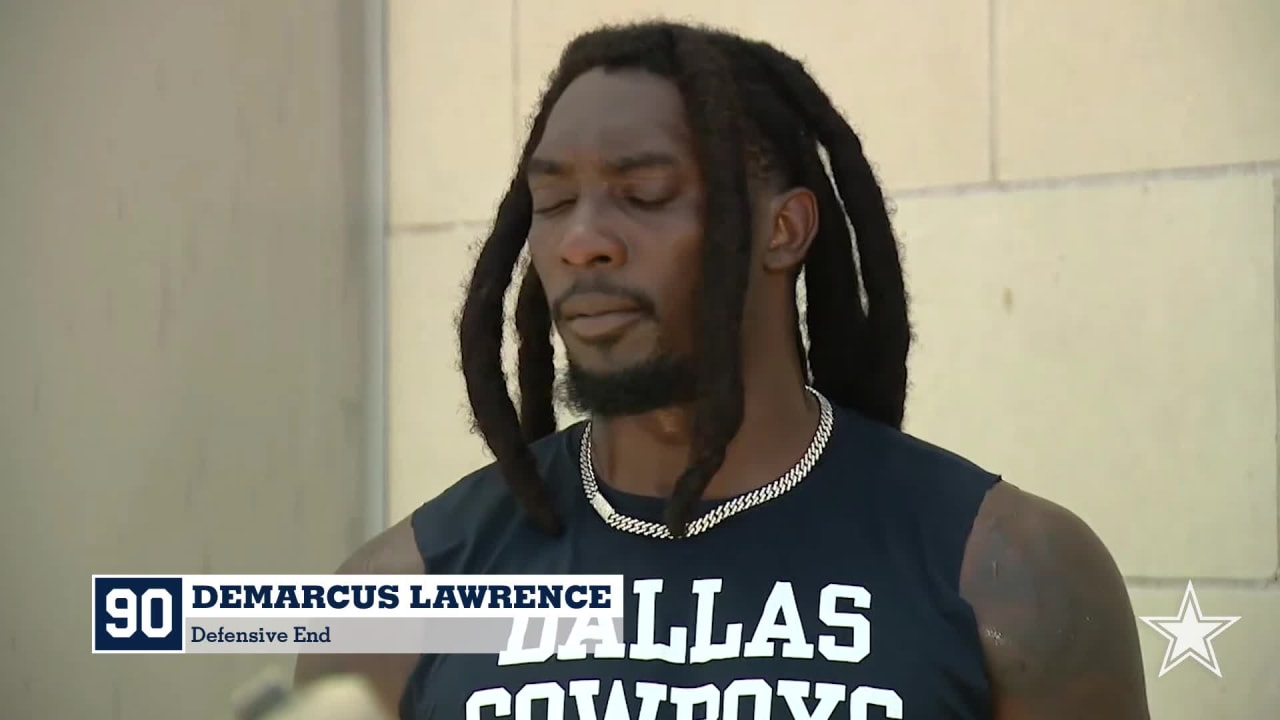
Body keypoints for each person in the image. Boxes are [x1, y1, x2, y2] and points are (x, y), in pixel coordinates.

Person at [295, 20, 1151, 720]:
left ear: (784, 231)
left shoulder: (1010, 576)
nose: (579, 238)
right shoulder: (394, 600)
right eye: (552, 202)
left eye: (646, 193)